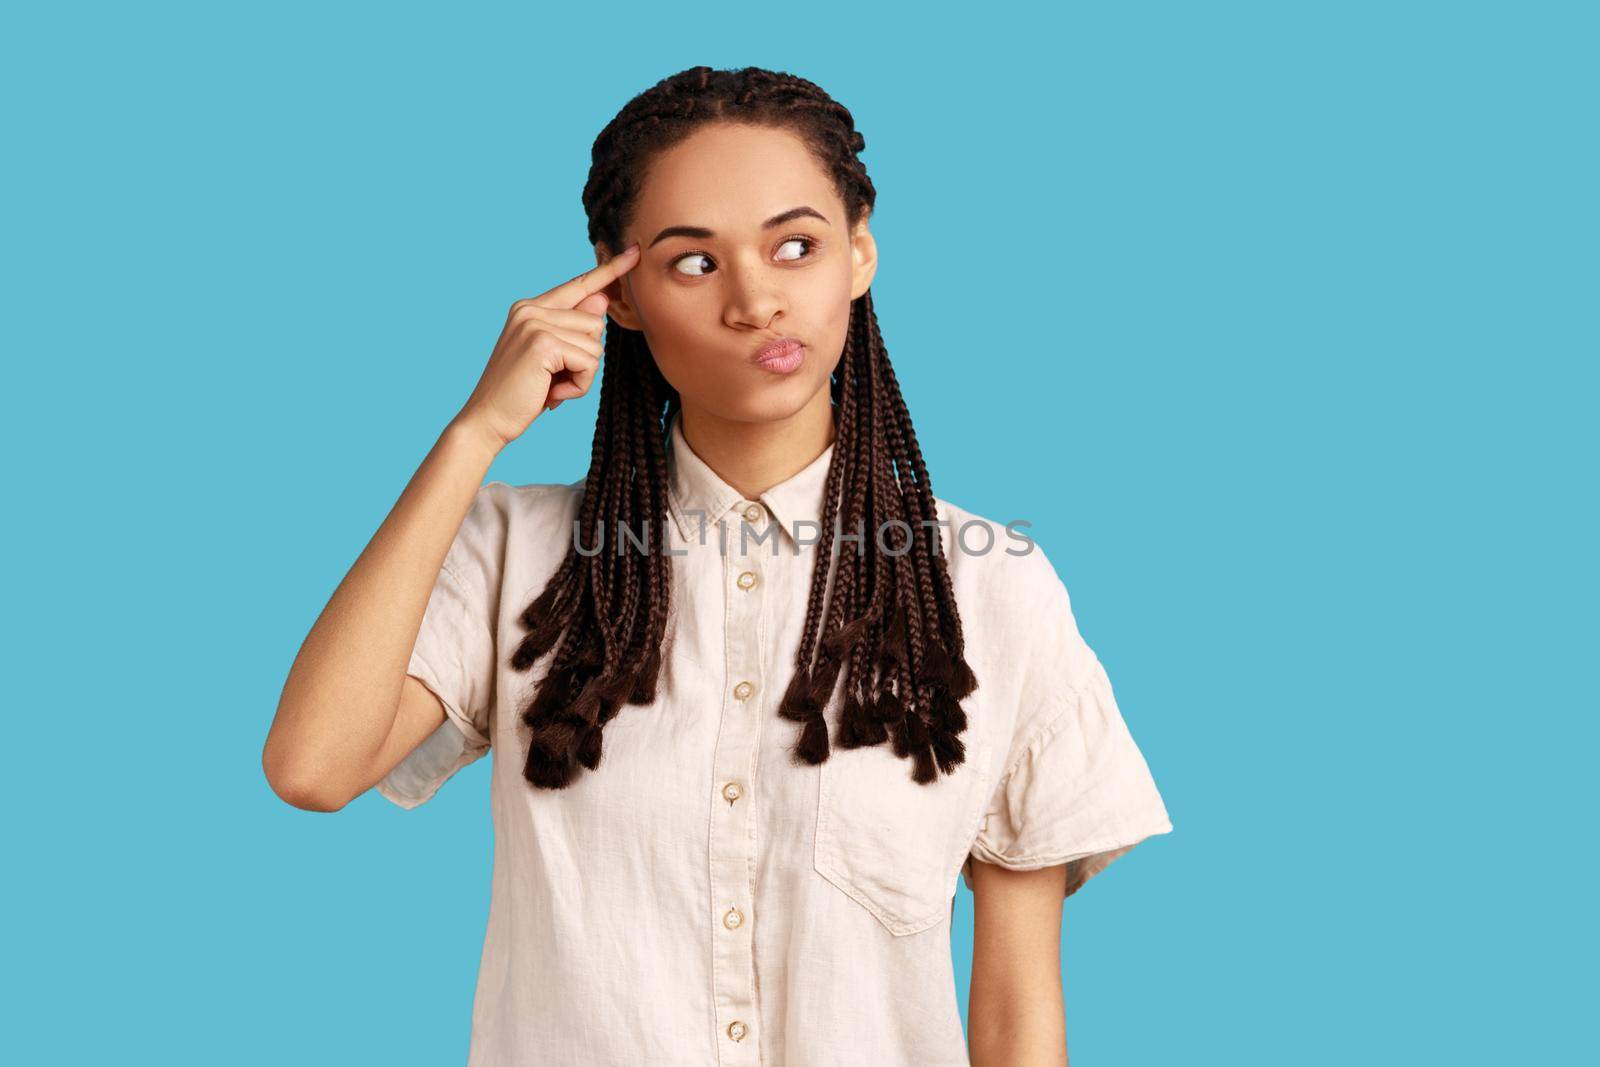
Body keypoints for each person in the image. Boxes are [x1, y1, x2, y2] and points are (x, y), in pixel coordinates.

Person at [263, 65, 1173, 1067]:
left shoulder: (991, 587)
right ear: (620, 291)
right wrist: (475, 432)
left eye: (796, 247)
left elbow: (1014, 1012)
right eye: (693, 262)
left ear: (860, 254)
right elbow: (312, 767)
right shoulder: (515, 553)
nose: (754, 302)